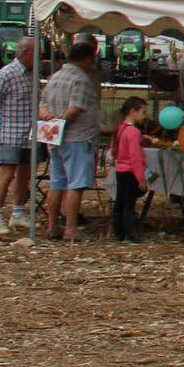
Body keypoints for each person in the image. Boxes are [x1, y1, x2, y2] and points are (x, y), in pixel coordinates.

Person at [38, 40, 101, 242]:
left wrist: (49, 120)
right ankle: (71, 228)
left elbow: (42, 105)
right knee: (76, 184)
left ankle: (53, 226)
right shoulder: (81, 79)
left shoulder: (55, 77)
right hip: (77, 137)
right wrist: (60, 122)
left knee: (57, 182)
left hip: (55, 139)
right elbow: (75, 108)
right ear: (87, 58)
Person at [0, 40, 36, 235]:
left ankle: (18, 212)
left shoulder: (33, 74)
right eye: (37, 53)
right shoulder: (4, 74)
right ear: (26, 52)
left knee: (25, 173)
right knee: (7, 173)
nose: (40, 58)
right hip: (8, 132)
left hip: (28, 133)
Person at [110, 96, 148, 243]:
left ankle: (118, 231)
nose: (144, 116)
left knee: (120, 202)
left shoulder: (119, 129)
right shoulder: (133, 132)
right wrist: (141, 177)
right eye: (142, 112)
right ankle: (130, 233)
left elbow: (114, 150)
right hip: (130, 171)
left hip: (120, 170)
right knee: (129, 204)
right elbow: (135, 157)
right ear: (133, 111)